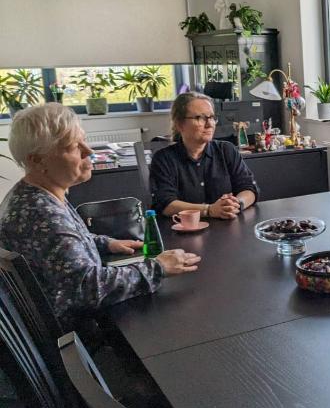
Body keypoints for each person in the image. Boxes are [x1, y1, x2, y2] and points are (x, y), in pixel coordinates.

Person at [0, 104, 200, 330]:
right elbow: (88, 288)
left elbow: (60, 245)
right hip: (82, 336)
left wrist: (106, 243)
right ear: (37, 160)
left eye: (84, 141)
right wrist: (158, 268)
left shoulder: (33, 196)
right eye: (74, 146)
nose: (89, 151)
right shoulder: (41, 215)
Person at [150, 91, 258, 218]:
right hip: (184, 229)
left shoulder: (226, 150)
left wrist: (236, 204)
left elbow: (249, 188)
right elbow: (165, 204)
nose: (209, 124)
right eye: (199, 118)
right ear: (180, 124)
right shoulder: (163, 159)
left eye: (211, 117)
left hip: (227, 226)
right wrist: (209, 210)